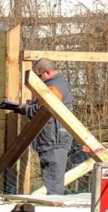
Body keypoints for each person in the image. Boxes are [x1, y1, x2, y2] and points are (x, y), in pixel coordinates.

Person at [11, 58, 73, 195]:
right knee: (52, 177)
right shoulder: (58, 83)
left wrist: (24, 108)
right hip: (53, 138)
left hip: (54, 139)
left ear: (47, 72)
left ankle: (55, 207)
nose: (38, 80)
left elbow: (41, 111)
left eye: (39, 77)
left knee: (53, 179)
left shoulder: (54, 87)